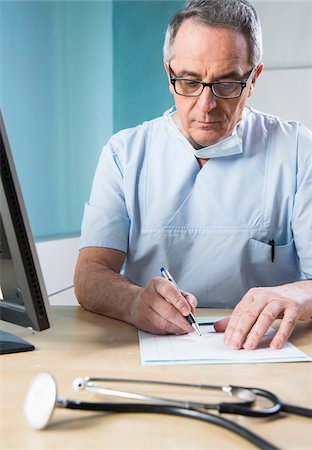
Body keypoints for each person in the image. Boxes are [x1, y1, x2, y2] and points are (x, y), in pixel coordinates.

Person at [74, 0, 312, 350]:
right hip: (150, 347)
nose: (206, 105)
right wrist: (134, 302)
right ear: (168, 73)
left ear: (253, 78)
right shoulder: (124, 153)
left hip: (264, 351)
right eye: (188, 81)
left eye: (227, 84)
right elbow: (90, 274)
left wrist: (297, 295)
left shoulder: (297, 150)